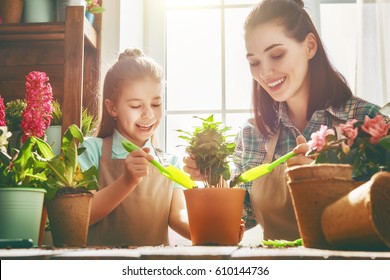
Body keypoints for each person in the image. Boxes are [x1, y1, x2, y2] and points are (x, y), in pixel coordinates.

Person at [184, 0, 388, 241]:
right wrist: (212, 177)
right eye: (254, 62)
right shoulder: (253, 135)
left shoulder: (367, 121)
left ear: (310, 46)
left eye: (277, 55)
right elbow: (241, 218)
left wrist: (323, 175)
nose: (265, 72)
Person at [78, 49, 191, 246]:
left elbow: (178, 217)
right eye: (136, 106)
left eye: (156, 104)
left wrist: (214, 231)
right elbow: (80, 216)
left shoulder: (170, 163)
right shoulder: (91, 150)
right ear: (112, 107)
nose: (149, 115)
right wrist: (128, 181)